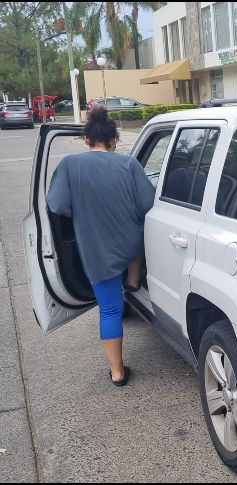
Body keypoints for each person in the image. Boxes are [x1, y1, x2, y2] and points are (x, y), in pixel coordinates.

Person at [46, 107, 155, 387]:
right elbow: (146, 205)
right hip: (129, 243)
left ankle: (117, 372)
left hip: (97, 251)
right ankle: (132, 277)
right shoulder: (129, 165)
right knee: (138, 234)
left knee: (109, 309)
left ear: (85, 139)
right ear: (115, 140)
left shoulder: (70, 165)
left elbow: (56, 205)